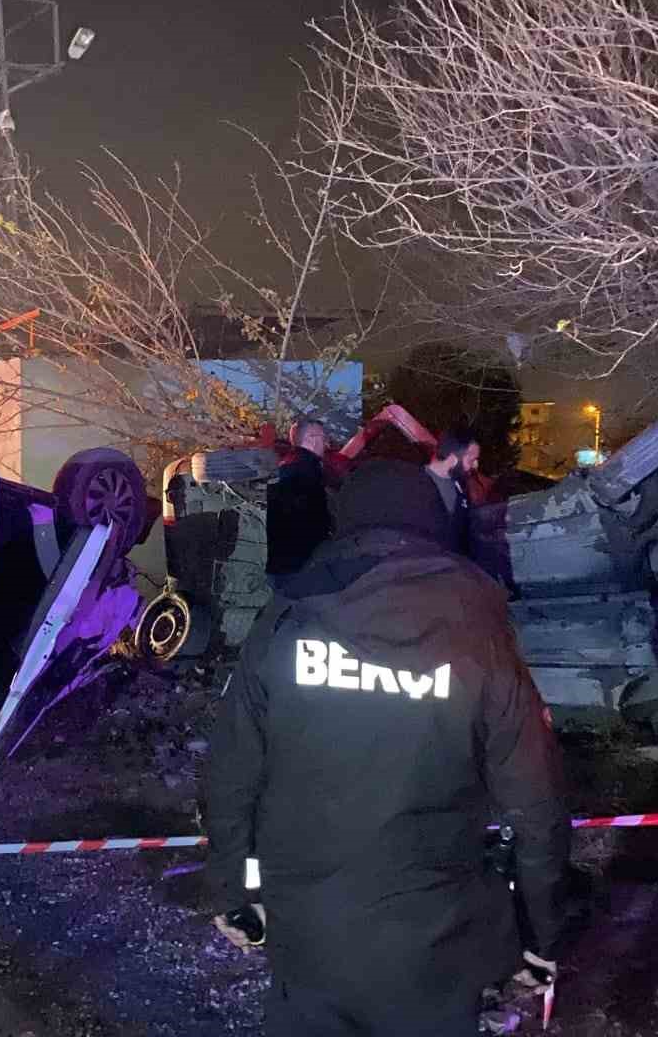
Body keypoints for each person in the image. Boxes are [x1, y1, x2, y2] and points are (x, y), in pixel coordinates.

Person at [203, 458, 570, 1036]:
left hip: (309, 934)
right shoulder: (478, 634)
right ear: (433, 522)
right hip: (435, 942)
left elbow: (232, 770)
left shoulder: (287, 618)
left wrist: (234, 891)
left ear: (345, 521)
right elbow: (536, 804)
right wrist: (539, 933)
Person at [264, 419, 332, 589]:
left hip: (280, 566)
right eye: (323, 438)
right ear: (311, 438)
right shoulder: (309, 471)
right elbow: (318, 522)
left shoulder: (285, 467)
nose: (326, 444)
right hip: (301, 569)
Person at [426, 424, 480, 555]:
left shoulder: (459, 484)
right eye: (471, 460)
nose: (475, 465)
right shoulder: (420, 484)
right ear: (453, 459)